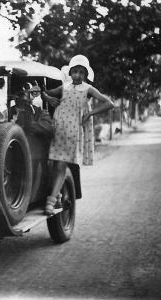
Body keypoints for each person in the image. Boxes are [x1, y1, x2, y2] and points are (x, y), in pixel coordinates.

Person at [42, 54, 114, 215]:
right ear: (70, 72)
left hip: (73, 131)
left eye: (82, 72)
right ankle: (58, 196)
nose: (78, 75)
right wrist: (48, 98)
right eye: (75, 71)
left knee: (61, 165)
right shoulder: (64, 87)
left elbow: (109, 103)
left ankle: (51, 201)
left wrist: (90, 114)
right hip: (58, 128)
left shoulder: (88, 89)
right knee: (54, 163)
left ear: (85, 75)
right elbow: (46, 93)